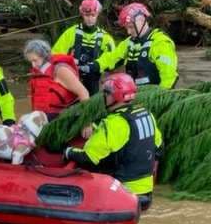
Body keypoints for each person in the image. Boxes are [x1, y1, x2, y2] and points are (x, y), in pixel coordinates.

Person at [63, 73, 162, 210]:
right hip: (145, 193)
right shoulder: (147, 115)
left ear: (114, 96)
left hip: (122, 194)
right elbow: (158, 147)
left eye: (106, 94)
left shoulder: (114, 124)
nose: (104, 97)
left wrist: (68, 152)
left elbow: (89, 158)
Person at [90, 2, 178, 89]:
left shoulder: (160, 42)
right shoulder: (129, 42)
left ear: (142, 21)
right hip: (135, 94)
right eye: (126, 28)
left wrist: (158, 98)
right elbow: (112, 57)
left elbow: (169, 77)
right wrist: (93, 66)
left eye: (131, 27)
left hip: (154, 95)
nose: (128, 32)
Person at [51, 0, 115, 95]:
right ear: (82, 14)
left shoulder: (105, 38)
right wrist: (69, 61)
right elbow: (55, 55)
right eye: (87, 15)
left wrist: (95, 66)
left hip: (95, 83)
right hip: (72, 80)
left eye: (93, 15)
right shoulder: (71, 33)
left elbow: (112, 61)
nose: (89, 19)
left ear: (98, 14)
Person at [24, 39, 89, 119]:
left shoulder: (60, 70)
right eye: (31, 61)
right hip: (45, 121)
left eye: (35, 60)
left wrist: (86, 122)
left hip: (64, 120)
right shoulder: (37, 74)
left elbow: (84, 93)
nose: (33, 65)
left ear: (43, 56)